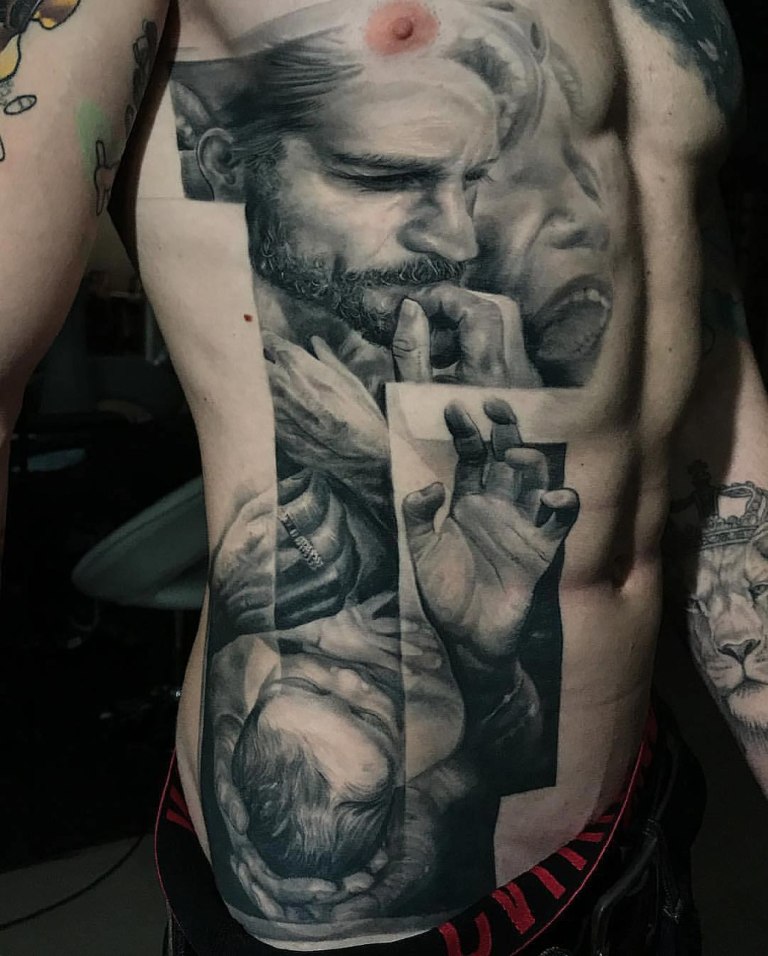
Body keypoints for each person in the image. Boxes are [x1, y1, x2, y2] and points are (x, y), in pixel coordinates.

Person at [0, 0, 763, 954]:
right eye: (383, 173)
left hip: (633, 810)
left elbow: (702, 382)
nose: (459, 242)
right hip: (347, 896)